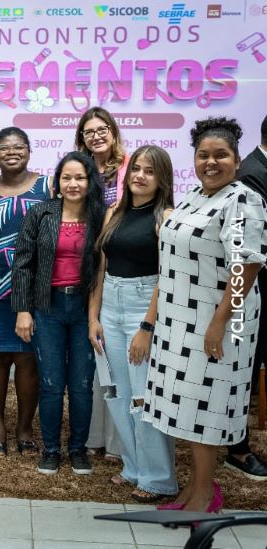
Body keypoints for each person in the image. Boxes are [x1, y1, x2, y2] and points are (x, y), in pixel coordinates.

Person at [144, 117, 267, 512]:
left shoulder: (243, 200)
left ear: (236, 158)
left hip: (216, 323)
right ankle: (195, 489)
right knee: (188, 407)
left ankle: (204, 494)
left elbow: (243, 267)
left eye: (221, 155)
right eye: (203, 155)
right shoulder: (194, 196)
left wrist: (218, 323)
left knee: (208, 409)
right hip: (179, 320)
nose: (211, 162)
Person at [88, 145, 177, 502]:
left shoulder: (166, 217)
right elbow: (101, 267)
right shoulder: (115, 212)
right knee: (117, 393)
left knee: (144, 397)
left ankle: (159, 479)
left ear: (162, 179)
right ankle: (133, 467)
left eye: (149, 171)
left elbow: (167, 277)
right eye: (136, 168)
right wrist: (93, 316)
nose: (140, 175)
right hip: (110, 304)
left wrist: (147, 327)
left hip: (143, 306)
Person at [12, 151, 105, 475]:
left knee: (80, 384)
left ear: (90, 181)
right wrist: (23, 311)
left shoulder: (101, 216)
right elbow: (23, 264)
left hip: (84, 309)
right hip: (47, 307)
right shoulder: (41, 213)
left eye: (80, 177)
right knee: (51, 384)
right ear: (57, 181)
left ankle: (77, 449)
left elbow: (104, 268)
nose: (73, 183)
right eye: (67, 177)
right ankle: (51, 450)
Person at [0, 127, 49, 458]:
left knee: (29, 361)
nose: (12, 152)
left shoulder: (49, 188)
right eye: (4, 147)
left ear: (30, 151)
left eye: (19, 147)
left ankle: (25, 429)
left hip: (34, 287)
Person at [75, 106, 129, 461]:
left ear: (112, 131)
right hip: (84, 266)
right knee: (93, 353)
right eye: (89, 131)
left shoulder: (128, 167)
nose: (96, 135)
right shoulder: (78, 170)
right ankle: (96, 434)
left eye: (102, 129)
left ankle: (119, 439)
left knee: (118, 354)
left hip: (120, 263)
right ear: (81, 137)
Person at [226, 113, 267, 481]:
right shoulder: (253, 176)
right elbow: (248, 255)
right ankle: (236, 448)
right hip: (246, 293)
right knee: (243, 370)